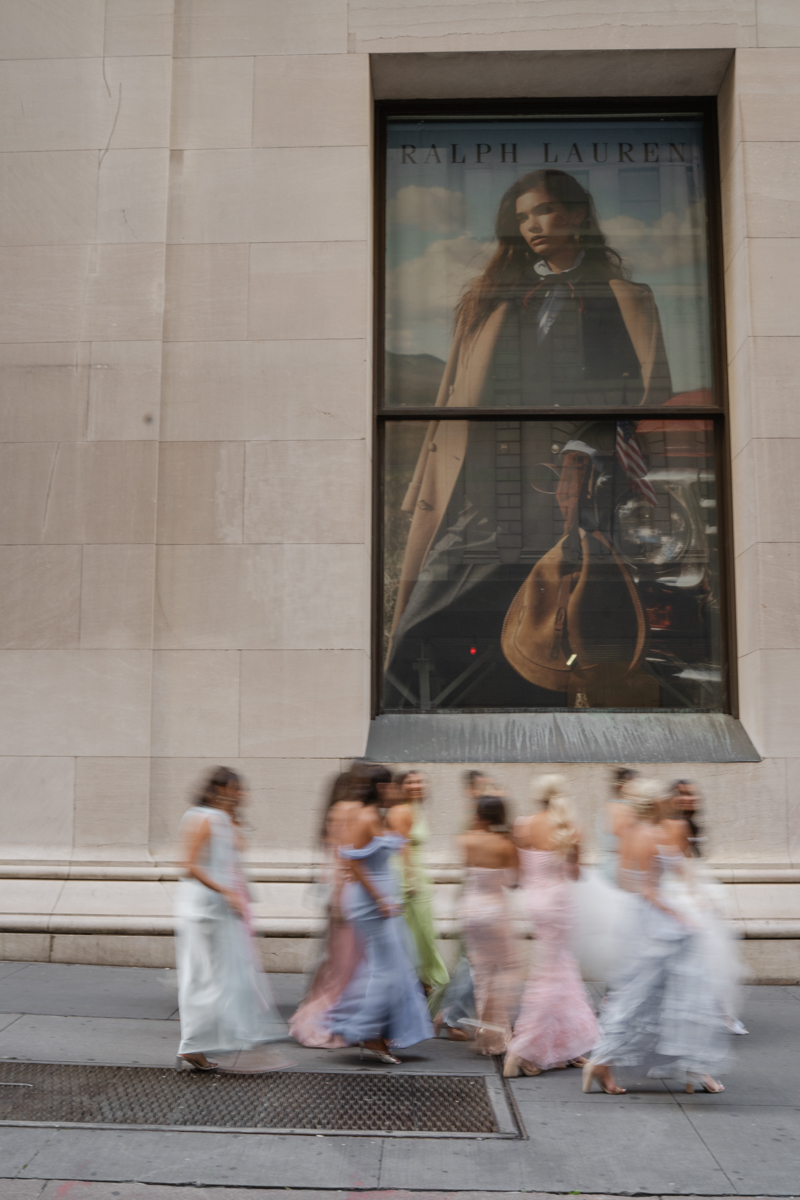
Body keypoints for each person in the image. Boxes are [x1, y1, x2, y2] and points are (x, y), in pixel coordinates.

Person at [385, 168, 673, 711]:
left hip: (574, 500)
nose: (532, 226)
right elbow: (452, 397)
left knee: (541, 633)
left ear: (578, 216)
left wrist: (582, 450)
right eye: (521, 218)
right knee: (423, 616)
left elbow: (643, 396)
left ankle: (523, 730)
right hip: (485, 492)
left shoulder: (622, 298)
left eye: (542, 211)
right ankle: (397, 726)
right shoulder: (494, 298)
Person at [583, 779, 728, 1096]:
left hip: (640, 920)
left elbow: (626, 880)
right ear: (655, 804)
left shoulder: (633, 834)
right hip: (655, 924)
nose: (670, 801)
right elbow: (648, 889)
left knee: (650, 994)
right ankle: (688, 1066)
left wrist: (690, 896)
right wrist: (679, 915)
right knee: (665, 993)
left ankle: (608, 1063)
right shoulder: (651, 835)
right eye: (665, 798)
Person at [174, 767, 287, 1071]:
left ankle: (205, 1044)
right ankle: (195, 1045)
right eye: (236, 789)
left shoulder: (221, 819)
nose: (242, 795)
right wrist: (226, 891)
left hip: (221, 909)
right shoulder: (204, 818)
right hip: (204, 910)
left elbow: (231, 855)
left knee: (227, 977)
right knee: (204, 979)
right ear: (220, 789)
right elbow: (188, 865)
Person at [326, 766, 433, 1063]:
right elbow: (353, 863)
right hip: (371, 904)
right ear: (382, 787)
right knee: (385, 968)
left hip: (384, 901)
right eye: (393, 786)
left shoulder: (378, 815)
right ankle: (368, 1032)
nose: (399, 791)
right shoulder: (364, 816)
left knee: (394, 964)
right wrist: (381, 899)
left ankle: (378, 1029)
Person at [504, 775, 599, 1078]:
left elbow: (516, 872)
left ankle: (566, 1046)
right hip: (559, 902)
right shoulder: (570, 828)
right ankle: (522, 1050)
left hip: (534, 902)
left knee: (558, 969)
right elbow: (575, 874)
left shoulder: (522, 825)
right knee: (551, 974)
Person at [289, 770, 365, 1047]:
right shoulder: (347, 811)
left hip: (341, 898)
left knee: (337, 964)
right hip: (346, 899)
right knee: (344, 966)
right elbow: (342, 861)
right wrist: (340, 899)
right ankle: (327, 1020)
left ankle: (334, 1017)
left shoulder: (335, 812)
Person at [457, 795, 519, 1054]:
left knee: (481, 972)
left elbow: (466, 868)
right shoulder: (505, 845)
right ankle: (496, 1029)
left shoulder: (466, 839)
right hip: (494, 910)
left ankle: (486, 1028)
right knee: (506, 969)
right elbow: (513, 881)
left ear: (480, 815)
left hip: (471, 909)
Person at [387, 770, 450, 994]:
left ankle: (424, 981)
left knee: (423, 931)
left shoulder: (415, 809)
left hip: (416, 874)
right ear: (401, 786)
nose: (416, 785)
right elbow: (401, 846)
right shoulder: (402, 810)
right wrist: (411, 880)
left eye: (420, 781)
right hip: (407, 878)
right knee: (421, 932)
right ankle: (430, 980)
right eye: (410, 781)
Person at [596, 766, 639, 883]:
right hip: (622, 866)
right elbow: (622, 836)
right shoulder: (625, 808)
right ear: (621, 786)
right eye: (635, 784)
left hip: (608, 864)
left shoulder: (607, 807)